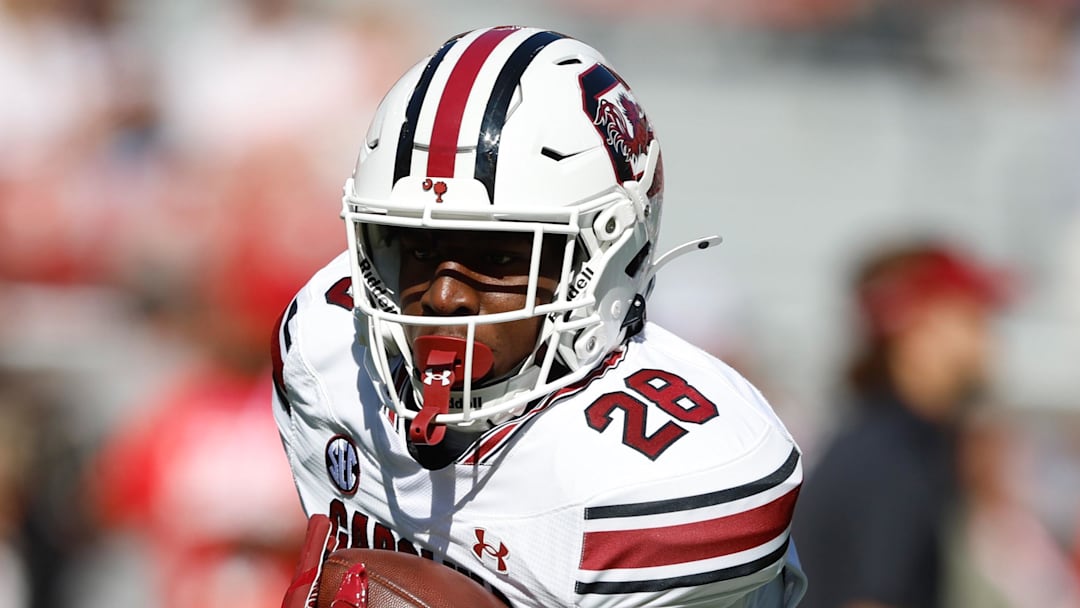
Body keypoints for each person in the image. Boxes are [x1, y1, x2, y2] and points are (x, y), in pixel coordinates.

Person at [272, 25, 806, 608]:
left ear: (608, 257)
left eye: (498, 257)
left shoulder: (667, 478)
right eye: (419, 250)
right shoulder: (326, 348)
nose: (445, 297)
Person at [793, 241, 1009, 608]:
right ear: (913, 328)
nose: (988, 340)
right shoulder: (889, 455)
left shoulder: (902, 441)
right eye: (971, 319)